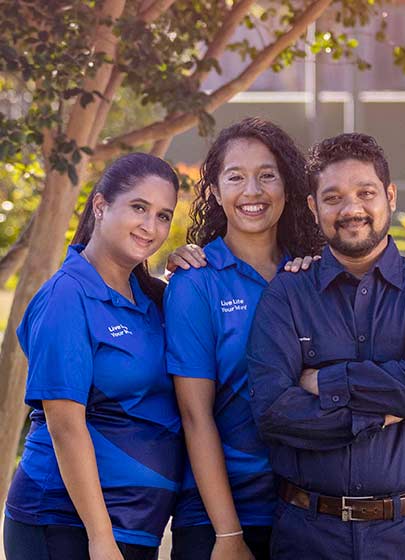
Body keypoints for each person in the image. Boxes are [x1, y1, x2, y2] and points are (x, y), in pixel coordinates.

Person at [246, 132, 405, 559]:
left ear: (390, 196)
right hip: (308, 537)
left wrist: (326, 382)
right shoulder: (287, 295)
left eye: (365, 193)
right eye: (333, 198)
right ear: (314, 208)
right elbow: (273, 412)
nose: (351, 210)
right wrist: (385, 412)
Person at [3, 153, 183, 560]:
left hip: (136, 527)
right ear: (100, 206)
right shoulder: (66, 296)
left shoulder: (149, 299)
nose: (151, 226)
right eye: (139, 207)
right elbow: (65, 426)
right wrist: (100, 537)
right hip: (65, 526)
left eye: (163, 216)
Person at [164, 118, 323, 560]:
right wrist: (228, 534)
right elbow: (195, 416)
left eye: (267, 175)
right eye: (235, 177)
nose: (252, 191)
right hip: (219, 519)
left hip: (306, 512)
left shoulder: (312, 274)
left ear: (289, 186)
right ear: (215, 191)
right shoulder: (196, 283)